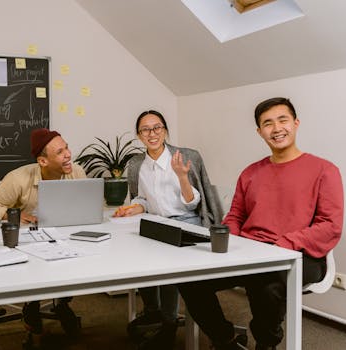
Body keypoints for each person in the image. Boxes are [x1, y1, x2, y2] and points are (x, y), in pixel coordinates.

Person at [178, 97, 343, 350]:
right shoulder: (251, 172)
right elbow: (235, 216)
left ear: (296, 123)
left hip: (301, 255)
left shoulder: (324, 170)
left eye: (282, 120)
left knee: (266, 282)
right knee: (190, 278)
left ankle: (266, 344)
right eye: (268, 123)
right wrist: (227, 241)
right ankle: (225, 340)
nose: (276, 128)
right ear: (259, 132)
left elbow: (330, 225)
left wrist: (284, 244)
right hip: (251, 252)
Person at [115, 110, 222, 349]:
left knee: (167, 265)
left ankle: (169, 322)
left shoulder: (186, 157)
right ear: (138, 135)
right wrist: (133, 208)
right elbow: (142, 197)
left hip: (188, 222)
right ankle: (154, 311)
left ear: (165, 130)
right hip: (158, 223)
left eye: (157, 128)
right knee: (136, 254)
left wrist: (182, 177)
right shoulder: (136, 165)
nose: (152, 134)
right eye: (145, 130)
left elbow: (194, 202)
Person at [0, 128, 86, 349]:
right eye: (60, 151)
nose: (68, 154)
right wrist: (15, 216)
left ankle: (62, 303)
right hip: (29, 241)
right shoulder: (18, 178)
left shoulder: (76, 172)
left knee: (78, 263)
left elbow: (83, 207)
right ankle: (32, 304)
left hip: (64, 236)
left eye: (66, 147)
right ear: (43, 160)